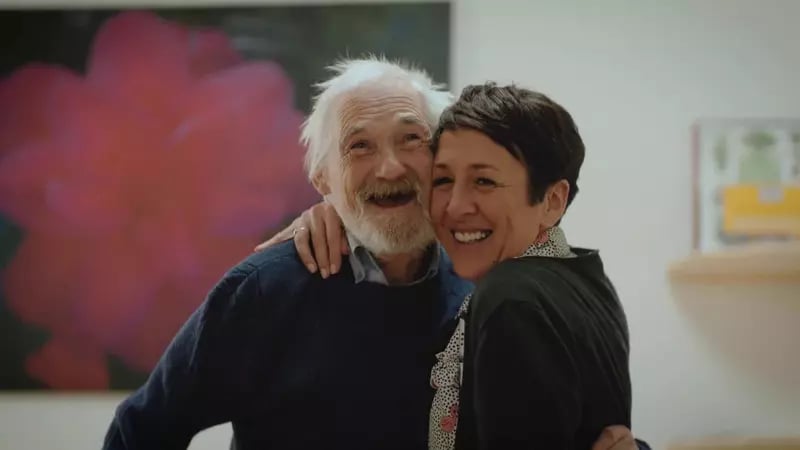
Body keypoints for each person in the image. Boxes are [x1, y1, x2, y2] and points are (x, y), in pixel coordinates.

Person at [104, 57, 642, 450]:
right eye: (359, 146)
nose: (389, 168)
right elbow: (139, 433)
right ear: (322, 178)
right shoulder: (267, 289)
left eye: (412, 140)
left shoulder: (483, 278)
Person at [257, 82, 637, 449]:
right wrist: (339, 209)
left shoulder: (511, 298)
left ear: (553, 201)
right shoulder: (585, 277)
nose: (455, 207)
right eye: (442, 180)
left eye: (484, 182)